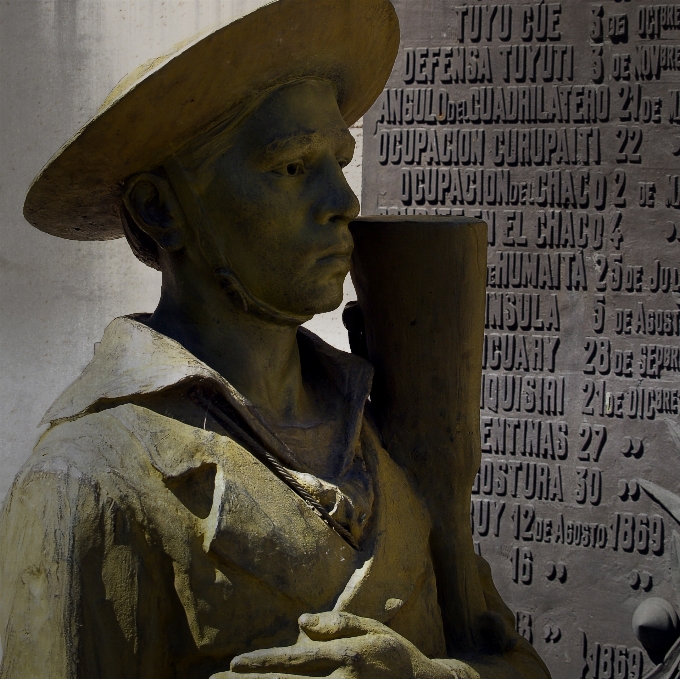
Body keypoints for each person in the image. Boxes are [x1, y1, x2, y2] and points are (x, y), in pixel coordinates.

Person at [0, 1, 551, 677]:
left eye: (339, 160)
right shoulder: (86, 482)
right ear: (160, 209)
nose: (342, 200)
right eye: (291, 166)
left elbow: (520, 664)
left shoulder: (390, 438)